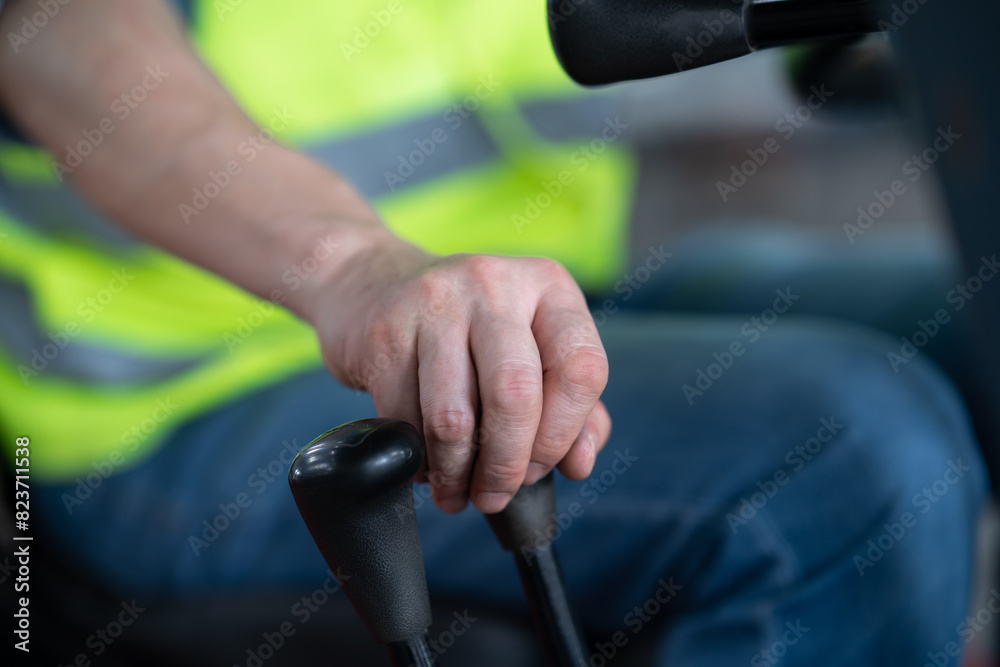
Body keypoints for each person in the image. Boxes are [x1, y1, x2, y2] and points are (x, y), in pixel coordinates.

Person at [0, 0, 987, 664]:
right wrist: (354, 268)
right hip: (175, 399)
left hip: (547, 298)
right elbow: (53, 34)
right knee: (846, 448)